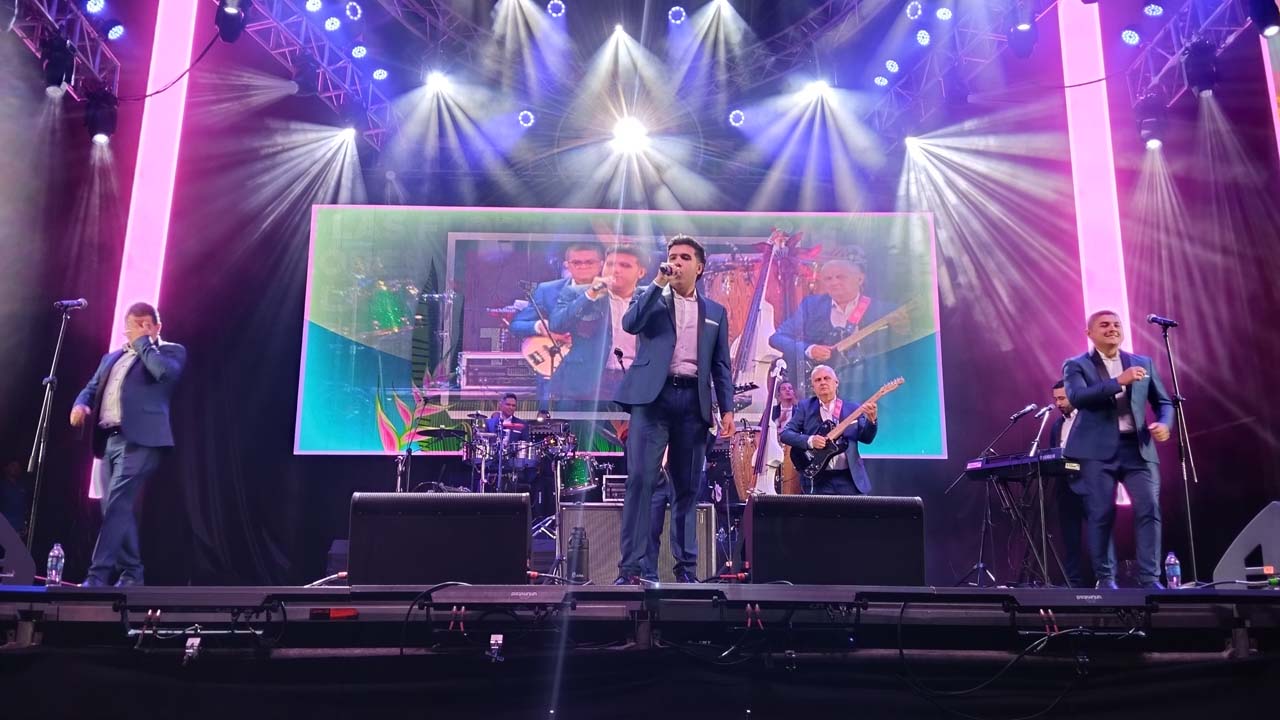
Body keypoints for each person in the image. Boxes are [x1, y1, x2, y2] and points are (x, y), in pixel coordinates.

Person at [614, 235, 734, 585]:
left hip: (693, 402)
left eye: (684, 257)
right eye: (672, 256)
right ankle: (631, 570)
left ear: (700, 267)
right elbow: (630, 323)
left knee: (687, 487)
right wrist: (657, 282)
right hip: (653, 400)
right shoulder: (650, 296)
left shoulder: (715, 312)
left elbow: (721, 365)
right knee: (641, 480)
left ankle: (686, 571)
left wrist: (727, 409)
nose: (676, 262)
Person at [69, 302, 186, 587]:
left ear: (157, 327)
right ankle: (132, 573)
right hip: (108, 440)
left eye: (147, 324)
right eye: (136, 325)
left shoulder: (170, 351)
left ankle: (97, 576)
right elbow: (91, 388)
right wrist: (80, 405)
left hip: (142, 440)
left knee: (118, 504)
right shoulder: (111, 358)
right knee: (114, 508)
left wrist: (144, 342)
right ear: (126, 328)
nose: (142, 329)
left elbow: (164, 373)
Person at [1062, 310, 1174, 590]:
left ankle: (1150, 578)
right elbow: (1077, 397)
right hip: (1096, 452)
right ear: (1089, 333)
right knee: (1101, 513)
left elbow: (1164, 402)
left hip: (1138, 449)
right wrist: (1118, 382)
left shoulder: (1142, 362)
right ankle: (1105, 579)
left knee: (1149, 508)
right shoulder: (1076, 365)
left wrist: (1164, 423)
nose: (1112, 328)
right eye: (1104, 325)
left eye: (1116, 324)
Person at [768, 256, 908, 399]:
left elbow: (902, 350)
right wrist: (809, 350)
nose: (834, 282)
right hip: (817, 391)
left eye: (841, 277)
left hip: (866, 390)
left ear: (860, 279)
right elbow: (777, 338)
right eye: (828, 279)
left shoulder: (884, 310)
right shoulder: (811, 305)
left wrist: (902, 331)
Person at [511, 243, 606, 410]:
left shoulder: (615, 290)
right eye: (577, 262)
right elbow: (516, 325)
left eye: (589, 262)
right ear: (567, 265)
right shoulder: (547, 290)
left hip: (600, 377)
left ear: (601, 264)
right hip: (557, 376)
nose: (583, 266)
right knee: (553, 423)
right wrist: (543, 328)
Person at [779, 365, 878, 495]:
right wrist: (810, 441)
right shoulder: (805, 407)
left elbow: (867, 438)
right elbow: (785, 434)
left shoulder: (853, 408)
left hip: (849, 478)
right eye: (818, 380)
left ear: (836, 382)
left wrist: (872, 421)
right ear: (813, 386)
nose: (823, 382)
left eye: (827, 378)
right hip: (817, 480)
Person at [1048, 380, 1086, 588]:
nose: (1058, 403)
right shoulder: (1057, 425)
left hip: (1090, 487)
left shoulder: (1089, 419)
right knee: (1071, 540)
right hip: (1066, 489)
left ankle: (1106, 581)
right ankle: (1073, 584)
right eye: (1055, 399)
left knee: (1099, 538)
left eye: (1062, 398)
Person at [0, 460, 28, 541]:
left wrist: (25, 524)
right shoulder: (2, 485)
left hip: (20, 530)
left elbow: (25, 507)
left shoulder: (22, 487)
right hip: (4, 529)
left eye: (18, 466)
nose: (16, 468)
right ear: (6, 468)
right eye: (13, 466)